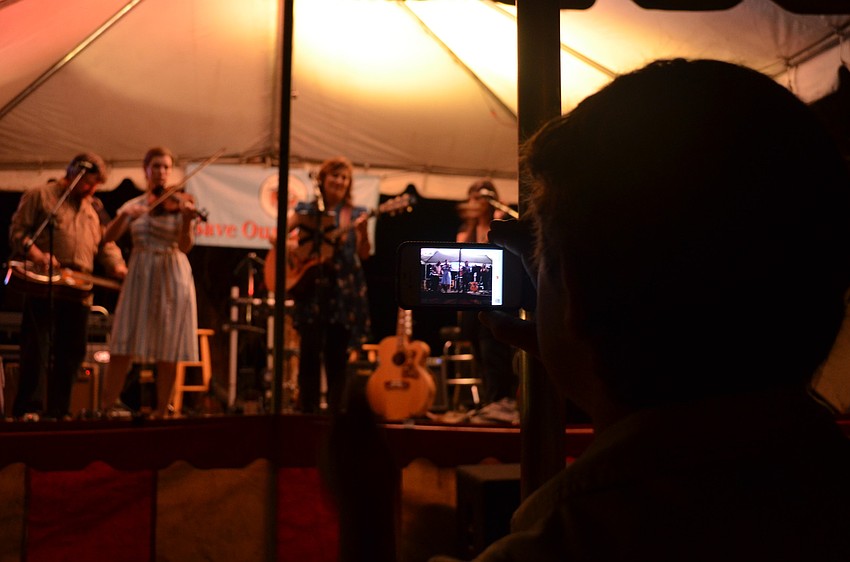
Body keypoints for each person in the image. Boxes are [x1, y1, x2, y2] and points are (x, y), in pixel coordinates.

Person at [323, 59, 850, 561]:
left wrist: (363, 512)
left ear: (572, 290)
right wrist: (582, 364)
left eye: (544, 257)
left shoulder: (569, 540)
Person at [8, 153, 127, 420]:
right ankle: (30, 408)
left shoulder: (94, 207)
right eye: (88, 183)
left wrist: (119, 268)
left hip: (79, 285)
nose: (92, 190)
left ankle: (59, 410)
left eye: (96, 186)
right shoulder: (41, 195)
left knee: (72, 350)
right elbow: (18, 233)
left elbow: (105, 244)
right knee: (36, 346)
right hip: (44, 282)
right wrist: (39, 256)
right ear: (74, 174)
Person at [99, 146, 200, 418]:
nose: (162, 172)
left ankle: (161, 410)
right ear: (146, 170)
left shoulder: (179, 205)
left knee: (169, 344)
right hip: (140, 272)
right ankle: (106, 407)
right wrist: (124, 216)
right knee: (124, 339)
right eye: (156, 166)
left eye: (166, 167)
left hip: (172, 272)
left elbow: (185, 246)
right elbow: (107, 238)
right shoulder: (135, 205)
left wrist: (188, 221)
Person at [288, 156, 371, 414]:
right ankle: (308, 412)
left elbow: (365, 254)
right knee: (309, 352)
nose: (339, 181)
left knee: (338, 356)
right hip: (313, 290)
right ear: (323, 179)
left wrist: (364, 232)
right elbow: (278, 236)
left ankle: (337, 416)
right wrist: (296, 251)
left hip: (343, 291)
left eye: (344, 178)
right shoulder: (306, 211)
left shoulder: (355, 214)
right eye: (335, 176)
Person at [457, 180, 518, 413]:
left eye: (483, 196)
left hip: (496, 297)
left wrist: (499, 220)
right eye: (474, 196)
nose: (478, 201)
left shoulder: (502, 225)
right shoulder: (465, 232)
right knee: (479, 352)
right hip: (471, 301)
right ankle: (489, 400)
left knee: (494, 348)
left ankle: (500, 400)